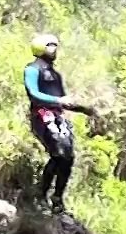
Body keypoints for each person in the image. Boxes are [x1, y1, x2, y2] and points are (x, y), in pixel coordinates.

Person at [23, 33, 85, 213]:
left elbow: (63, 100)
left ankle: (57, 198)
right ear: (41, 48)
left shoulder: (56, 75)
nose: (54, 49)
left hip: (58, 117)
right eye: (50, 46)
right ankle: (41, 195)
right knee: (58, 153)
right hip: (41, 115)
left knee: (68, 157)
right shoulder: (32, 69)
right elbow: (33, 94)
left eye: (55, 46)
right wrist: (58, 101)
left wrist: (84, 110)